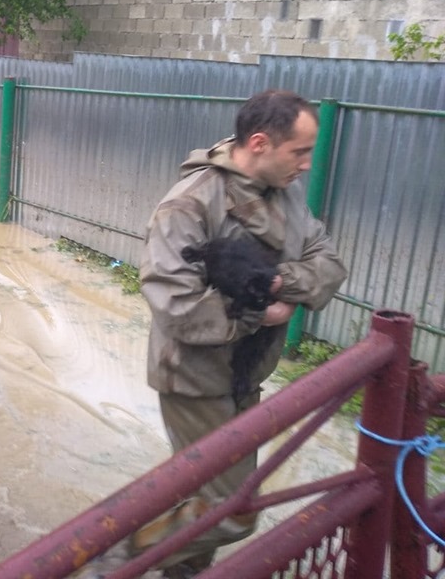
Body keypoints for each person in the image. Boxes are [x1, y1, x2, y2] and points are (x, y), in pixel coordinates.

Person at [133, 89, 348, 577]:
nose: (307, 165)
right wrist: (259, 314)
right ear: (259, 143)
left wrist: (274, 283)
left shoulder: (287, 196)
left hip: (245, 374)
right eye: (300, 152)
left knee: (207, 499)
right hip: (194, 379)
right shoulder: (189, 204)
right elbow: (176, 305)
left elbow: (329, 262)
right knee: (232, 511)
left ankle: (175, 571)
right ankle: (107, 556)